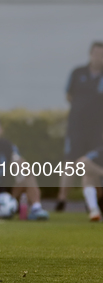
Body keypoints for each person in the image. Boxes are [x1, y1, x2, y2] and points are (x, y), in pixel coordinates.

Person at [57, 41, 103, 211]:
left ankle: (91, 200)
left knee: (90, 162)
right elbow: (68, 95)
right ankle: (62, 199)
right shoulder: (78, 73)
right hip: (76, 126)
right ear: (91, 54)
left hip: (97, 128)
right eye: (97, 53)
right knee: (70, 162)